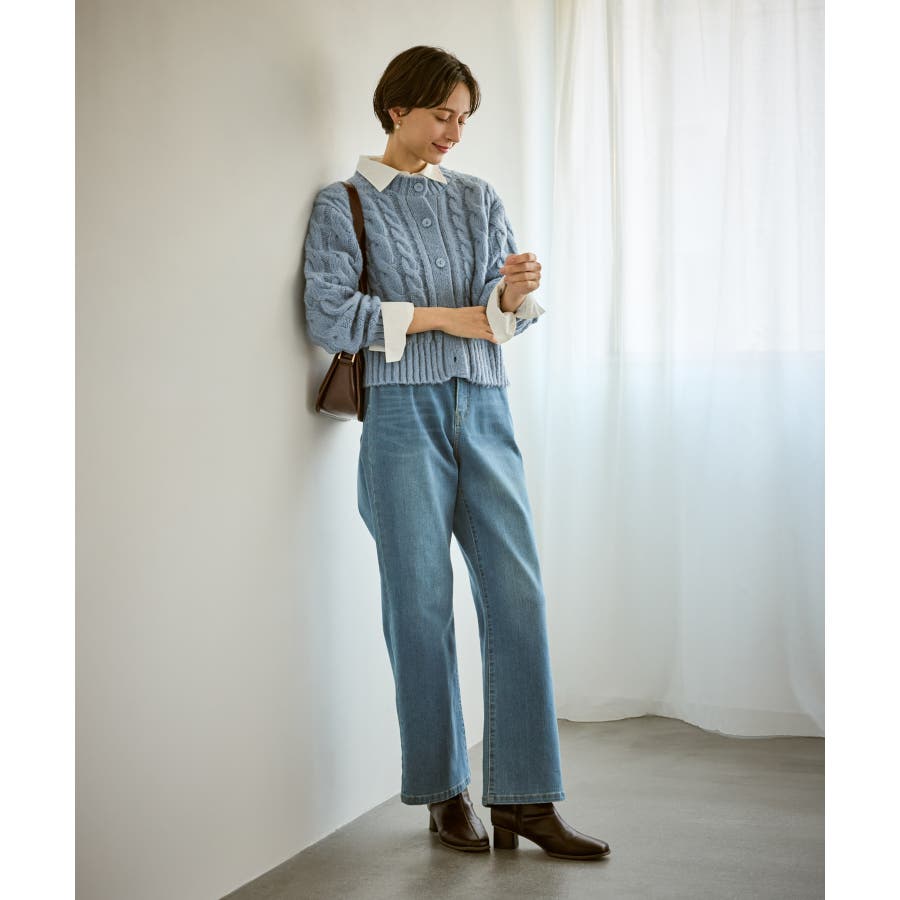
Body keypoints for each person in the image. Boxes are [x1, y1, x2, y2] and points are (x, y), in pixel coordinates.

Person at [303, 45, 610, 861]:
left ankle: (526, 798)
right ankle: (443, 793)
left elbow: (501, 318)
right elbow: (330, 315)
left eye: (464, 118)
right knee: (419, 604)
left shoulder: (478, 198)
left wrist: (510, 292)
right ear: (397, 108)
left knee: (518, 595)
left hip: (485, 406)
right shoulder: (344, 205)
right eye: (443, 115)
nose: (454, 132)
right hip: (400, 417)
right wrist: (445, 318)